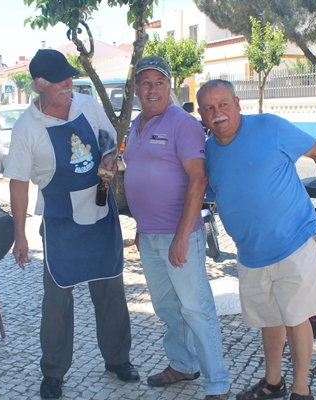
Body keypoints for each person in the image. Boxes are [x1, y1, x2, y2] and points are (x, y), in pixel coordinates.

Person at [196, 79, 316, 400]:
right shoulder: (208, 152)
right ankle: (273, 383)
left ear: (237, 103)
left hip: (293, 242)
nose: (218, 113)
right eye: (209, 108)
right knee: (269, 320)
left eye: (223, 104)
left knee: (296, 318)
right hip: (250, 253)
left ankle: (301, 390)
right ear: (201, 114)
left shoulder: (269, 126)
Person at [3, 49, 139, 400]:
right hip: (61, 221)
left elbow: (109, 143)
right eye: (60, 81)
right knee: (57, 300)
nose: (68, 84)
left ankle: (118, 359)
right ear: (39, 84)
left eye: (69, 78)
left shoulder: (87, 106)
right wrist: (20, 236)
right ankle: (53, 372)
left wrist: (110, 160)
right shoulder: (27, 128)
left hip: (100, 212)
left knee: (110, 289)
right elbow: (18, 183)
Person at [123, 56, 231, 400]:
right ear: (136, 89)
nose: (152, 89)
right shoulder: (136, 125)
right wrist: (141, 226)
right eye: (145, 82)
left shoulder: (182, 123)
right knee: (167, 308)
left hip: (179, 234)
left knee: (196, 308)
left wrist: (183, 236)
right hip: (149, 235)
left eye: (159, 82)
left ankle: (218, 383)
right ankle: (183, 364)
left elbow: (198, 179)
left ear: (169, 86)